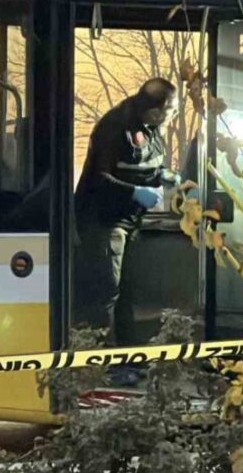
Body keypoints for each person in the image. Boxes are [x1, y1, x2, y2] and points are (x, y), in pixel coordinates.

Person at [74, 78, 180, 349]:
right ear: (157, 110)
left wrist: (163, 176)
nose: (175, 114)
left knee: (127, 294)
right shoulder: (114, 127)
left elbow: (143, 163)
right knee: (106, 294)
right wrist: (135, 192)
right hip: (104, 221)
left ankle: (126, 358)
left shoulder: (152, 128)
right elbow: (100, 178)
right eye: (173, 109)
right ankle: (100, 362)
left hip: (131, 222)